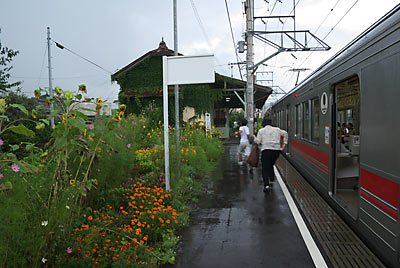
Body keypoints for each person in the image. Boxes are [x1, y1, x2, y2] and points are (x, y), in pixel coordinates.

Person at [255, 117, 288, 192]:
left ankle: (266, 185)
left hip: (266, 150)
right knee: (271, 164)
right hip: (276, 151)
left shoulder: (261, 131)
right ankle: (272, 178)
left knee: (265, 168)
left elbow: (258, 142)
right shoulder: (277, 129)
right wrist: (284, 144)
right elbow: (285, 133)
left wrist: (254, 138)